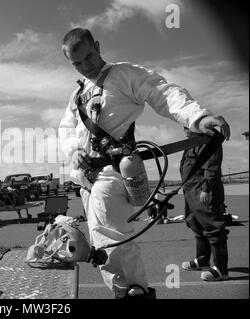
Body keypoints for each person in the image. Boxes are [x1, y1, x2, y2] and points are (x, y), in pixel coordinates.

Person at [58, 28, 230, 299]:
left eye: (88, 58)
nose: (85, 67)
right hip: (85, 179)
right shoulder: (78, 94)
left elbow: (163, 92)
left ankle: (133, 290)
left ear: (98, 47)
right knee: (106, 241)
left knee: (111, 240)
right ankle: (130, 291)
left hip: (112, 172)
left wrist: (198, 118)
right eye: (76, 63)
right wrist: (73, 151)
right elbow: (66, 129)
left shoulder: (124, 75)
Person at [180, 127, 229, 281]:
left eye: (187, 126)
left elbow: (212, 166)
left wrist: (206, 189)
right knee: (195, 223)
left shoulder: (209, 139)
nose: (184, 129)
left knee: (213, 227)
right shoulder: (191, 142)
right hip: (191, 189)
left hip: (202, 189)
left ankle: (221, 269)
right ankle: (202, 260)